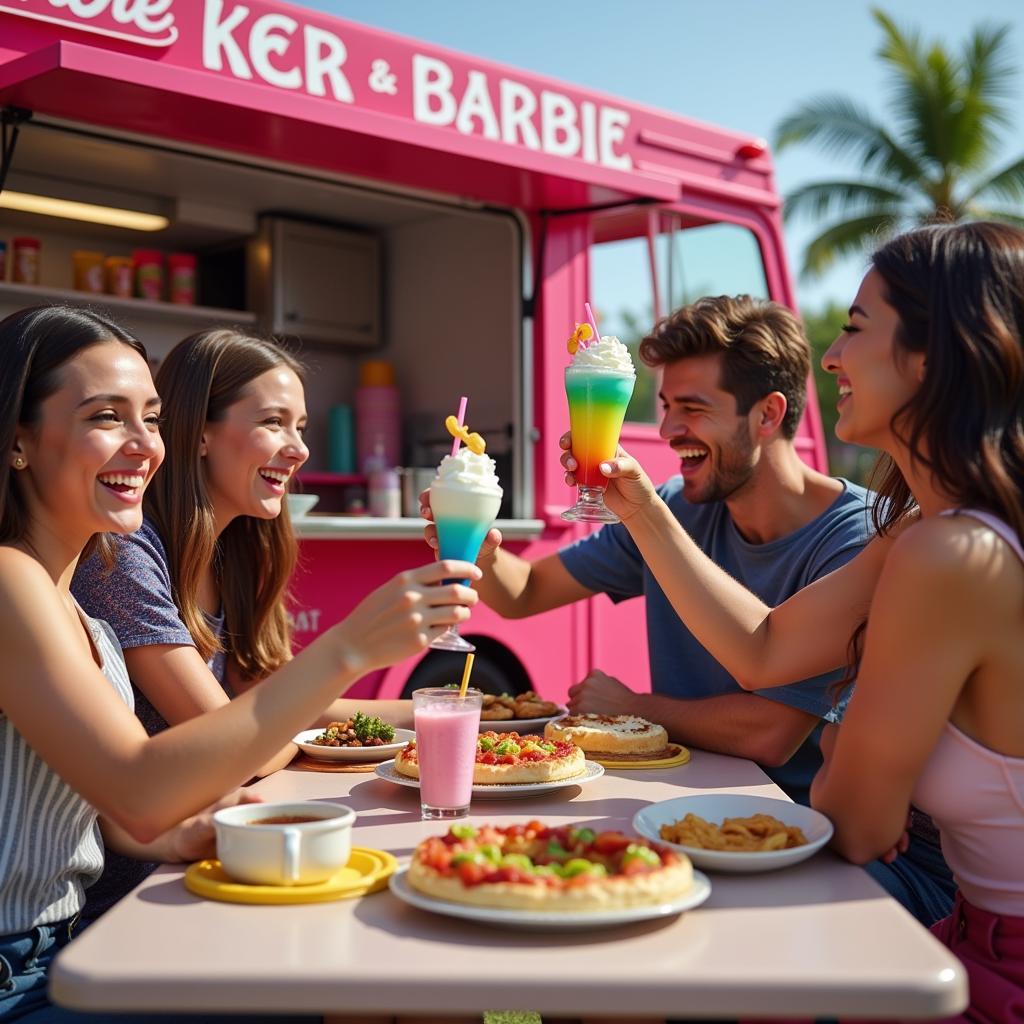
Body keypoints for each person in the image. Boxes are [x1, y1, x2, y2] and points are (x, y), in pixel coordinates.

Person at [570, 223, 1023, 1023]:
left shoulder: (950, 554)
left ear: (932, 356)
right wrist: (640, 506)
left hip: (1000, 966)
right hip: (972, 936)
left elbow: (850, 821)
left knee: (634, 958)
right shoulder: (922, 531)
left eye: (854, 328)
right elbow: (764, 648)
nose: (832, 357)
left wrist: (851, 759)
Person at [0, 305, 480, 1022]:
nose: (143, 446)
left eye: (152, 419)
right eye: (106, 417)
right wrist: (348, 648)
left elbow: (112, 814)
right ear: (17, 441)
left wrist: (188, 833)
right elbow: (138, 786)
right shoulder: (13, 580)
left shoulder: (76, 605)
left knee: (377, 972)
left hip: (65, 948)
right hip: (28, 976)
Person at [423, 293, 953, 927]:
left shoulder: (863, 535)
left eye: (693, 409)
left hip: (782, 833)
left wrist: (637, 709)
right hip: (677, 816)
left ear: (768, 414)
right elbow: (525, 594)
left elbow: (770, 731)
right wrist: (473, 536)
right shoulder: (676, 504)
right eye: (665, 405)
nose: (668, 429)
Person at [70, 328, 412, 922]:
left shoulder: (236, 550)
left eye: (301, 427)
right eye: (275, 422)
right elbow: (235, 743)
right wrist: (293, 719)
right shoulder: (124, 552)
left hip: (214, 857)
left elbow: (272, 710)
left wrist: (461, 712)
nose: (299, 449)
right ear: (199, 433)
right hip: (139, 894)